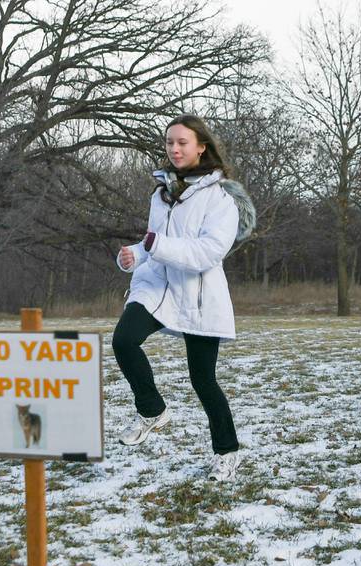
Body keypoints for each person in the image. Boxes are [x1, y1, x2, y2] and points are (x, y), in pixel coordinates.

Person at [112, 114, 255, 482]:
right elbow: (153, 241)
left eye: (182, 142)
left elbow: (208, 252)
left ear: (201, 147)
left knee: (202, 380)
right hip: (157, 287)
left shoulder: (221, 198)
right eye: (169, 142)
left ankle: (227, 453)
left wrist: (154, 245)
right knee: (124, 340)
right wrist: (134, 255)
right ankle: (152, 410)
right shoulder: (161, 193)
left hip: (198, 295)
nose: (174, 149)